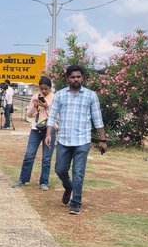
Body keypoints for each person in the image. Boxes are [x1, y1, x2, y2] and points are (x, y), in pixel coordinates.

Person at [46, 64, 107, 215]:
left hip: (82, 140)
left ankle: (76, 202)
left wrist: (102, 139)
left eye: (78, 77)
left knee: (78, 173)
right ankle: (68, 187)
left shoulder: (91, 95)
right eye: (72, 77)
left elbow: (97, 119)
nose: (76, 79)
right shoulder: (60, 95)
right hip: (64, 140)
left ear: (83, 78)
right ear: (67, 79)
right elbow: (52, 116)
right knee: (59, 169)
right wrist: (48, 134)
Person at [12, 75, 55, 189]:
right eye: (42, 89)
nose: (44, 91)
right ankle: (23, 179)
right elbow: (29, 114)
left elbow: (55, 116)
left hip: (49, 130)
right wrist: (35, 106)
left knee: (46, 158)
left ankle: (44, 182)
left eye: (46, 89)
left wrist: (46, 107)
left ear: (50, 88)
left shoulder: (54, 98)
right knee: (29, 155)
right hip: (36, 129)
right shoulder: (36, 97)